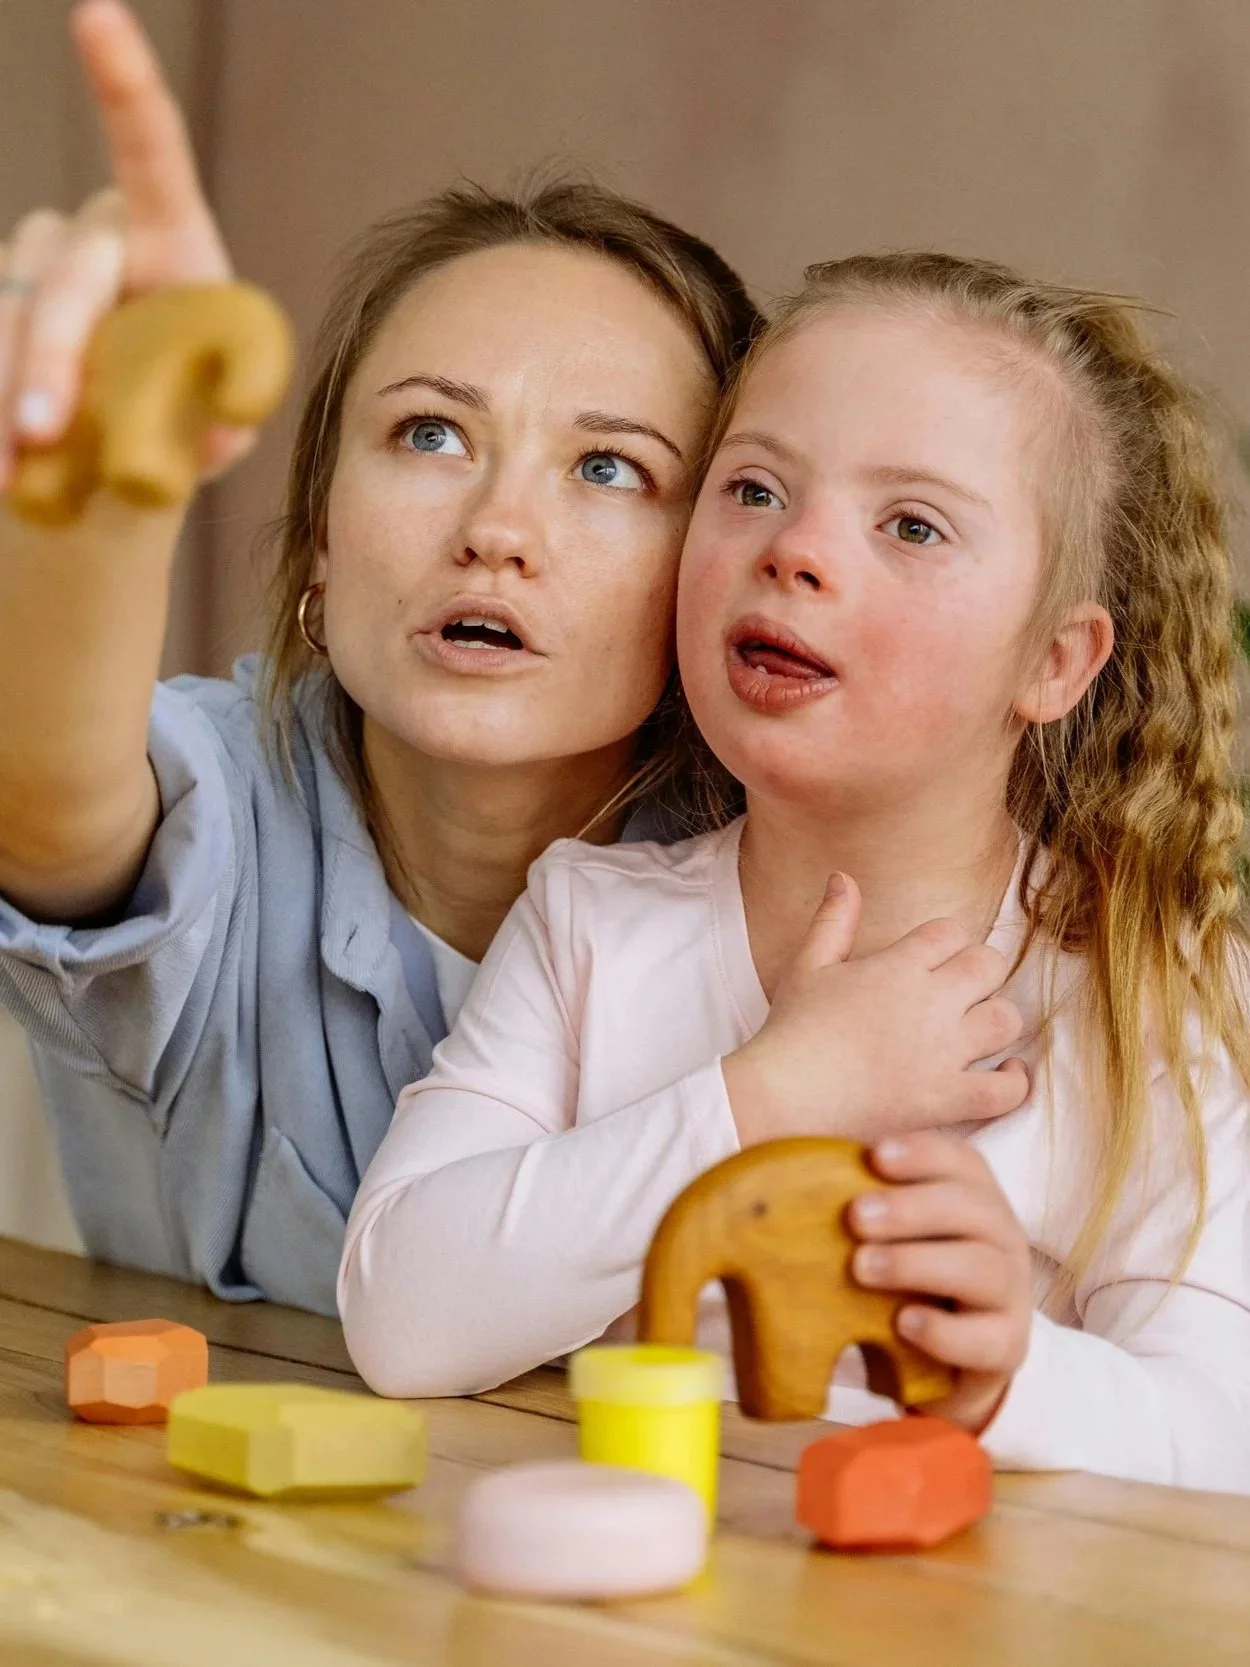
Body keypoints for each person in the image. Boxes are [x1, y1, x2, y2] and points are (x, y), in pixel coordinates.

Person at [340, 252, 1250, 1493]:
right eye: (755, 487)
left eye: (911, 524)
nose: (796, 551)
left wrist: (1013, 1375)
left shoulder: (1147, 990)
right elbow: (401, 1314)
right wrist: (775, 1090)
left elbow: (1219, 1435)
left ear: (1053, 658)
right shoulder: (589, 921)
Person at [0, 0, 766, 1311]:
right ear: (316, 546)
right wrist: (92, 502)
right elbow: (47, 799)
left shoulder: (779, 889)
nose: (496, 531)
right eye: (429, 436)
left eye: (606, 466)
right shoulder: (225, 797)